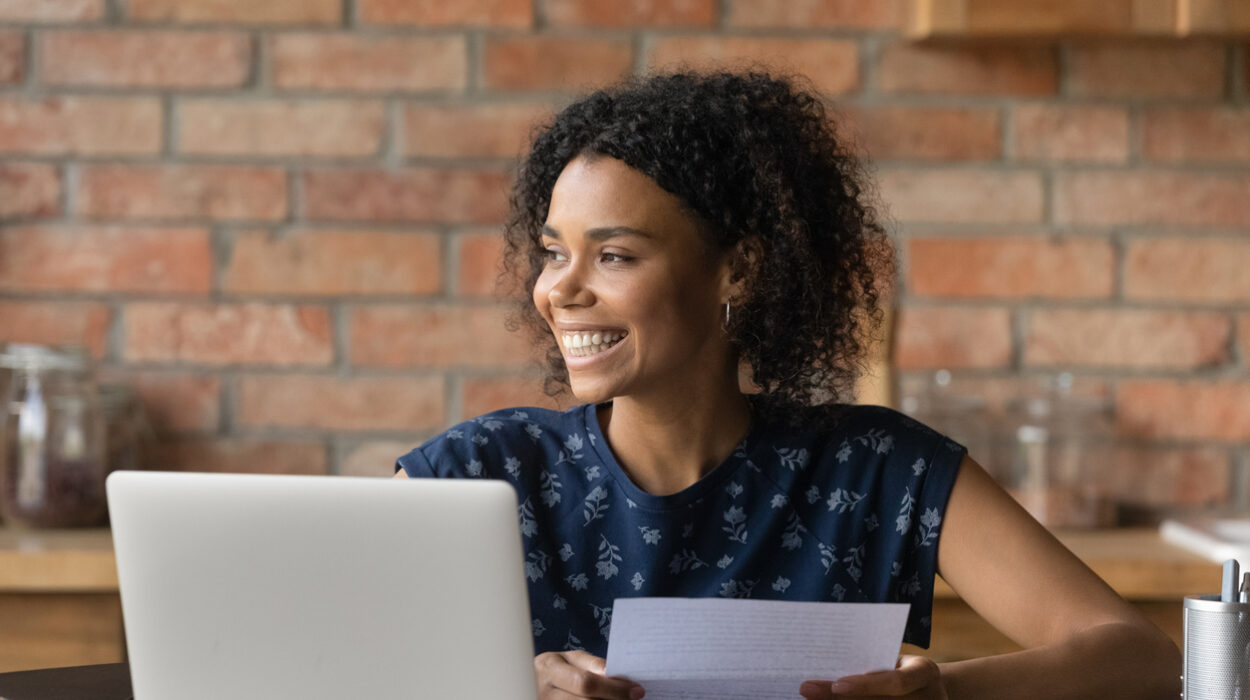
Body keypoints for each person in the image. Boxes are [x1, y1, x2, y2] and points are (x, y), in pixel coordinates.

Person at [394, 71, 1180, 699]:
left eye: (615, 255)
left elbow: (1141, 658)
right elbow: (325, 665)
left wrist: (947, 694)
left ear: (739, 267)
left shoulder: (879, 471)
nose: (559, 290)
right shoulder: (474, 476)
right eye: (553, 251)